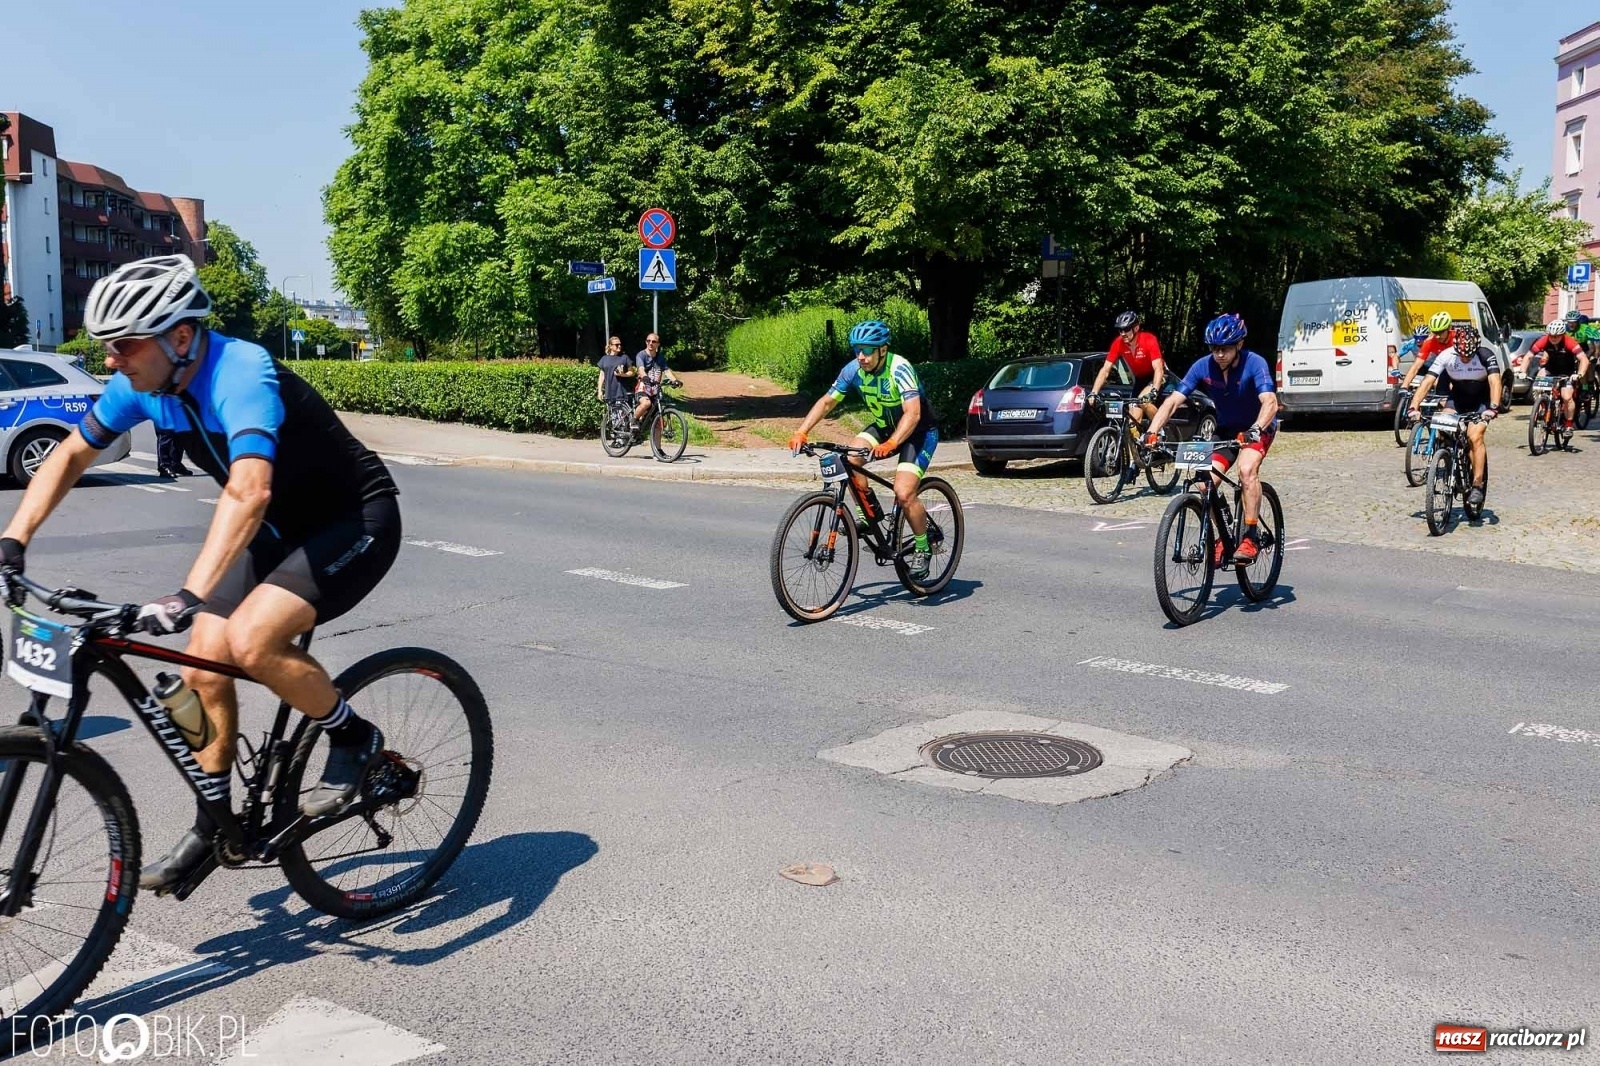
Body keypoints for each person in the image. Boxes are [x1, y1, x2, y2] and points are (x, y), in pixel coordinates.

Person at [0, 255, 402, 893]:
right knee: (200, 663)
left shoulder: (241, 372)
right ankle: (212, 822)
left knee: (251, 641)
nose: (111, 359)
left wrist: (189, 593)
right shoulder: (141, 385)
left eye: (124, 344)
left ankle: (353, 736)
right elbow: (71, 454)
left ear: (180, 337)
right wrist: (13, 539)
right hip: (273, 528)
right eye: (108, 345)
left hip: (353, 518)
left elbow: (249, 489)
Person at [787, 320, 939, 579]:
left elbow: (913, 414)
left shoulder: (899, 368)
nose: (861, 356)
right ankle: (869, 515)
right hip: (884, 427)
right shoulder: (853, 369)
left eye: (867, 350)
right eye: (857, 350)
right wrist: (802, 431)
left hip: (919, 432)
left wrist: (892, 443)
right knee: (849, 458)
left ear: (883, 350)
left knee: (904, 492)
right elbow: (827, 402)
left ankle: (923, 548)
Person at [1144, 313, 1279, 564]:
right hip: (1226, 429)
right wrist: (1152, 432)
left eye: (1225, 348)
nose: (1219, 354)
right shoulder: (1202, 366)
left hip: (1257, 427)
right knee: (1204, 483)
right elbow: (1173, 401)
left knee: (1246, 470)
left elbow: (1270, 402)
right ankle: (1224, 535)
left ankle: (1251, 536)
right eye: (1214, 348)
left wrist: (1256, 428)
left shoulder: (1255, 363)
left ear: (1239, 344)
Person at [1408, 324, 1500, 506]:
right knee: (1443, 427)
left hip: (1481, 400)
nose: (1465, 358)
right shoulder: (1446, 355)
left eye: (1469, 356)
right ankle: (1448, 460)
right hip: (1457, 398)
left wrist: (1494, 407)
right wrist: (1413, 406)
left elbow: (1495, 382)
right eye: (1461, 355)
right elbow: (1428, 381)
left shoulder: (1486, 355)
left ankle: (1477, 484)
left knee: (1475, 436)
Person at [1088, 311, 1165, 430]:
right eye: (1120, 330)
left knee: (1143, 401)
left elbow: (1158, 368)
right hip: (1140, 379)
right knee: (1132, 423)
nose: (1123, 333)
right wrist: (1094, 392)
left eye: (1126, 329)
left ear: (1136, 328)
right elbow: (1105, 370)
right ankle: (1137, 441)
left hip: (1156, 376)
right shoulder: (1118, 343)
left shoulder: (1149, 339)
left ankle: (1160, 430)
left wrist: (1154, 390)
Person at [1527, 320, 1590, 434]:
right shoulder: (1544, 340)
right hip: (1550, 369)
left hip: (1567, 372)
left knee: (1567, 397)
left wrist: (1579, 374)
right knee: (1540, 377)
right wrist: (1522, 371)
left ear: (1562, 335)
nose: (1553, 338)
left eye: (1556, 336)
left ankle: (1569, 425)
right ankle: (1542, 405)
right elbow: (1528, 356)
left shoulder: (1569, 342)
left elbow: (1584, 359)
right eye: (1551, 336)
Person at [1398, 311, 1456, 392]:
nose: (1437, 336)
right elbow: (1416, 366)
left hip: (1462, 368)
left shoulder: (1458, 338)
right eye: (1435, 333)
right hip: (1444, 368)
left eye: (1440, 332)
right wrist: (1404, 387)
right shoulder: (1429, 342)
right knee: (1434, 383)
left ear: (1449, 328)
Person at [632, 333, 681, 424]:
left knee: (659, 420)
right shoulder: (641, 355)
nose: (650, 343)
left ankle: (649, 426)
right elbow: (641, 369)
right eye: (648, 341)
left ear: (658, 344)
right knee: (646, 403)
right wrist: (645, 377)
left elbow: (666, 371)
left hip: (655, 390)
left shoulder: (660, 357)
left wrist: (675, 380)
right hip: (643, 388)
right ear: (646, 342)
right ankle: (633, 421)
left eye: (653, 341)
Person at [596, 335, 633, 407]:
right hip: (609, 394)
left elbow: (632, 372)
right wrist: (599, 391)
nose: (619, 346)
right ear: (610, 346)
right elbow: (602, 376)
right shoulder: (604, 359)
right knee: (611, 413)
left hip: (621, 392)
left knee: (621, 413)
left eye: (620, 344)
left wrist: (622, 374)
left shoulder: (624, 357)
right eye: (617, 344)